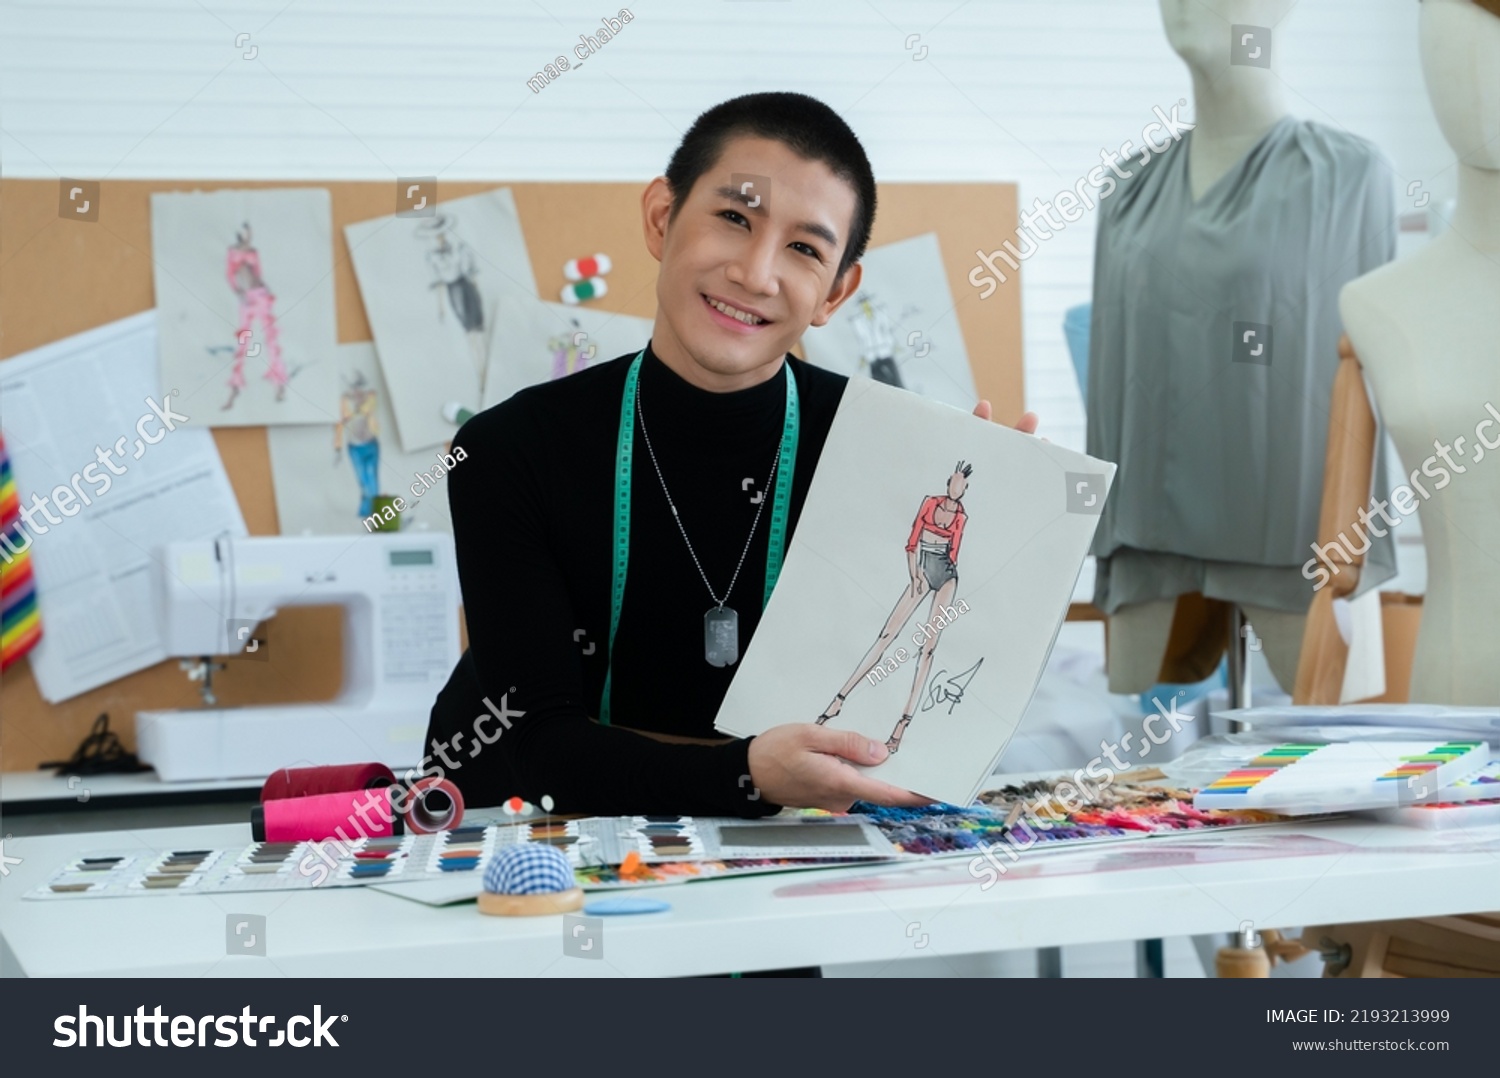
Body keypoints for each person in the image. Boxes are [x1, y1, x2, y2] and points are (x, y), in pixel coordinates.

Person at [424, 91, 1037, 817]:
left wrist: (1011, 566)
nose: (756, 272)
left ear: (836, 291)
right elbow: (535, 747)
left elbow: (902, 732)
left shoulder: (882, 457)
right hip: (535, 844)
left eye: (805, 249)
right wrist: (745, 774)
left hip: (780, 848)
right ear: (662, 217)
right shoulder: (509, 451)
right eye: (734, 218)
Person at [815, 461, 972, 753]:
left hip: (946, 577)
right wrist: (914, 575)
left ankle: (902, 724)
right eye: (953, 479)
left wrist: (932, 575)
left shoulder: (961, 517)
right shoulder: (930, 503)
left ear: (965, 488)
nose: (955, 486)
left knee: (928, 648)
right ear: (949, 480)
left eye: (961, 483)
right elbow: (912, 542)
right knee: (887, 635)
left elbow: (954, 556)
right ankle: (838, 701)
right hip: (921, 569)